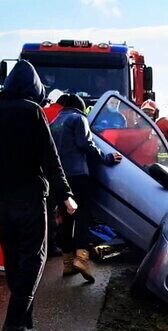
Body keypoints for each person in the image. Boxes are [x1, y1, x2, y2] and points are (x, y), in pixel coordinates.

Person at [0, 60, 76, 331]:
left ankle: (25, 319)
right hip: (31, 197)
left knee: (13, 257)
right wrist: (65, 194)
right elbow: (50, 158)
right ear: (34, 87)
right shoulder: (33, 111)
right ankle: (17, 321)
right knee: (34, 258)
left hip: (3, 198)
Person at [50, 94, 121, 281]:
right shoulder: (78, 118)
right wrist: (107, 157)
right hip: (78, 176)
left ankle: (67, 264)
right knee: (82, 217)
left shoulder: (54, 123)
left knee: (66, 220)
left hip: (60, 179)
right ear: (80, 108)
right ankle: (81, 259)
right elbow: (86, 143)